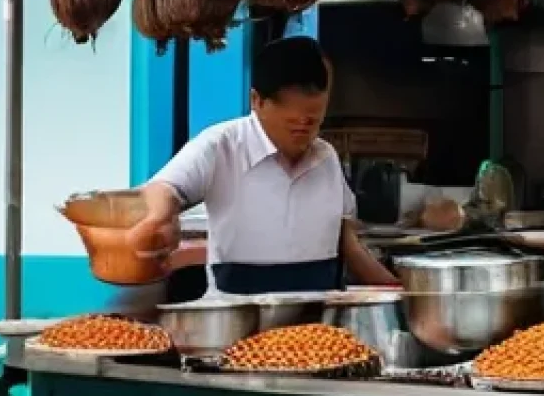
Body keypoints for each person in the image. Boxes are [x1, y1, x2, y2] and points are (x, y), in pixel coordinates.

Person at [128, 35, 398, 294]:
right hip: (242, 324)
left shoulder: (326, 157)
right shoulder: (221, 146)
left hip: (316, 331)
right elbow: (163, 188)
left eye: (313, 122)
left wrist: (396, 290)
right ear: (257, 101)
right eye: (293, 124)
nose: (304, 133)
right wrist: (157, 217)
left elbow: (344, 235)